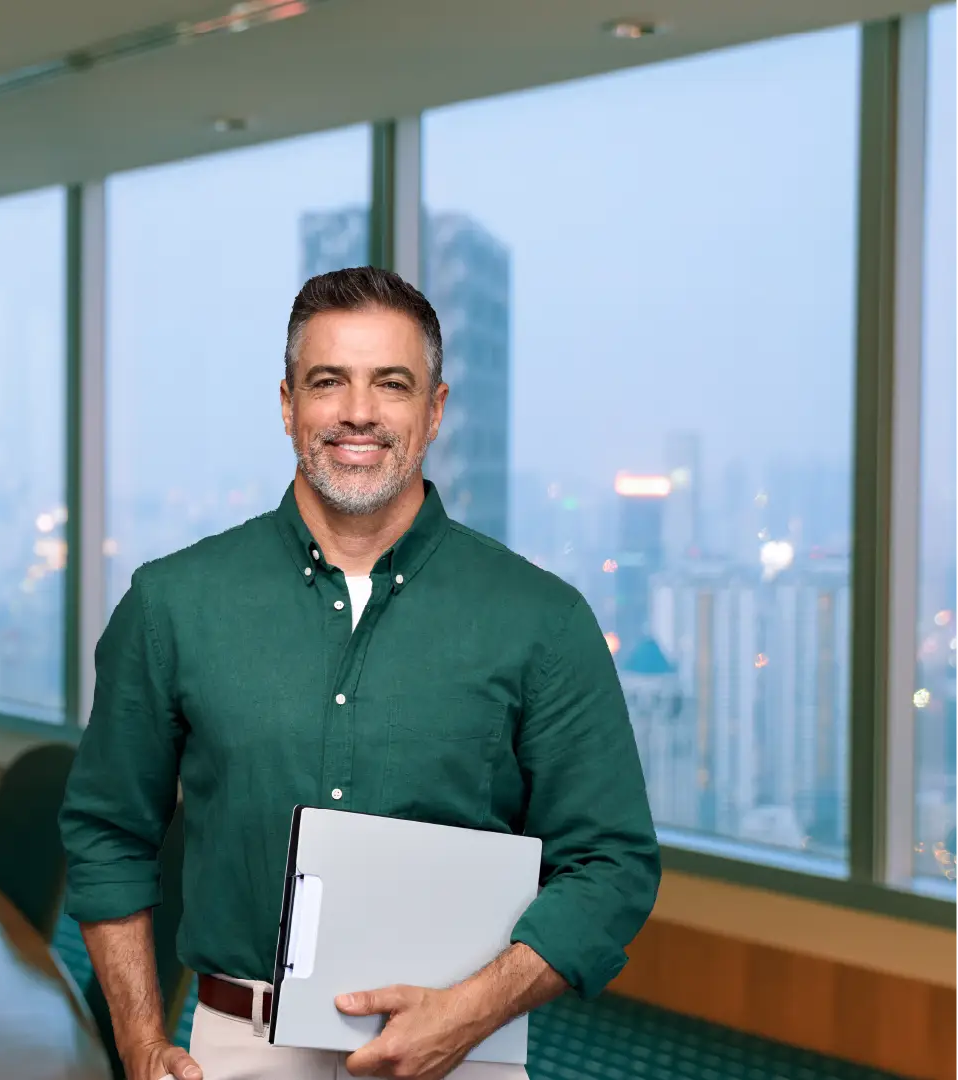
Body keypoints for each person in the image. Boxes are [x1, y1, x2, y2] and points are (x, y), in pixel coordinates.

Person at [60, 267, 660, 1080]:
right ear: (286, 404)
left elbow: (612, 863)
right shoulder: (173, 603)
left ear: (436, 410)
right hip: (238, 1051)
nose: (358, 412)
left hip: (464, 1052)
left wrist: (473, 1011)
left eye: (393, 384)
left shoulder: (542, 621)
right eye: (328, 381)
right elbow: (107, 831)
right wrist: (137, 1038)